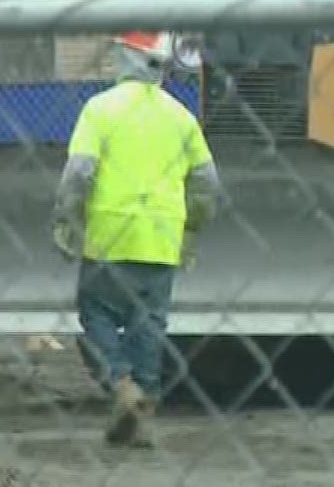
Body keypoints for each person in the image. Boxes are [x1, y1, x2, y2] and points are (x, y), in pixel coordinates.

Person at [52, 31, 222, 448]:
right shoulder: (181, 117)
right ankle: (144, 402)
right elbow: (207, 184)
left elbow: (78, 174)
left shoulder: (100, 110)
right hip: (162, 240)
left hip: (109, 236)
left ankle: (119, 381)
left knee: (96, 316)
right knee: (149, 324)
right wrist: (192, 228)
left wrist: (68, 220)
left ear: (125, 58)